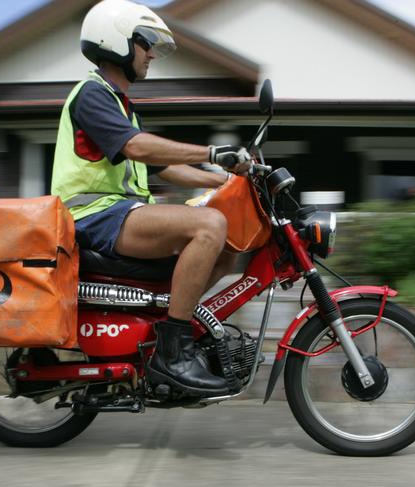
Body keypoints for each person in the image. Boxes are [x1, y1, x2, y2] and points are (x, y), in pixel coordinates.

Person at [52, 0, 252, 397]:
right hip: (94, 217)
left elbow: (160, 167)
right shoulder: (91, 95)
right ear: (117, 41)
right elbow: (140, 149)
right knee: (210, 225)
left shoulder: (122, 106)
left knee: (228, 244)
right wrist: (211, 152)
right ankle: (171, 353)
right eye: (146, 45)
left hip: (123, 214)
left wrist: (223, 180)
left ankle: (173, 324)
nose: (151, 56)